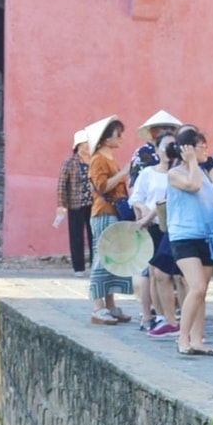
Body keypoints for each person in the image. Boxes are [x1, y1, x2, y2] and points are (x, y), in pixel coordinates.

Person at [165, 127, 213, 356]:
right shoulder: (176, 173)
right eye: (202, 147)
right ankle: (183, 338)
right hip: (184, 236)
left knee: (203, 292)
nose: (206, 151)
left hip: (206, 236)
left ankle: (198, 339)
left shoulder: (205, 172)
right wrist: (192, 161)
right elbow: (193, 186)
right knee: (196, 286)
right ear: (188, 149)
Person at [85, 118, 135, 324]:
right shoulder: (98, 159)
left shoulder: (109, 158)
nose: (121, 139)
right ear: (106, 139)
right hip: (104, 212)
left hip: (112, 211)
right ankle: (98, 306)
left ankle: (110, 305)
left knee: (112, 258)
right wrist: (123, 173)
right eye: (118, 135)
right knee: (102, 256)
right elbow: (102, 186)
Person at [131, 137, 180, 336]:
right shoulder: (148, 173)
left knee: (172, 274)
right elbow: (136, 197)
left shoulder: (177, 174)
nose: (167, 151)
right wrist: (143, 210)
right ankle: (156, 315)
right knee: (152, 273)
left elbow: (166, 201)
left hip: (170, 226)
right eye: (164, 146)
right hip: (152, 226)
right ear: (157, 150)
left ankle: (173, 315)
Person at [54, 127, 96, 276]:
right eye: (85, 143)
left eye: (88, 143)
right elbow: (61, 185)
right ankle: (78, 268)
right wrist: (61, 205)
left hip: (93, 203)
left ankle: (94, 264)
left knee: (94, 235)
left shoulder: (94, 161)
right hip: (75, 204)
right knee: (76, 235)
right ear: (78, 145)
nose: (87, 146)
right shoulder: (70, 162)